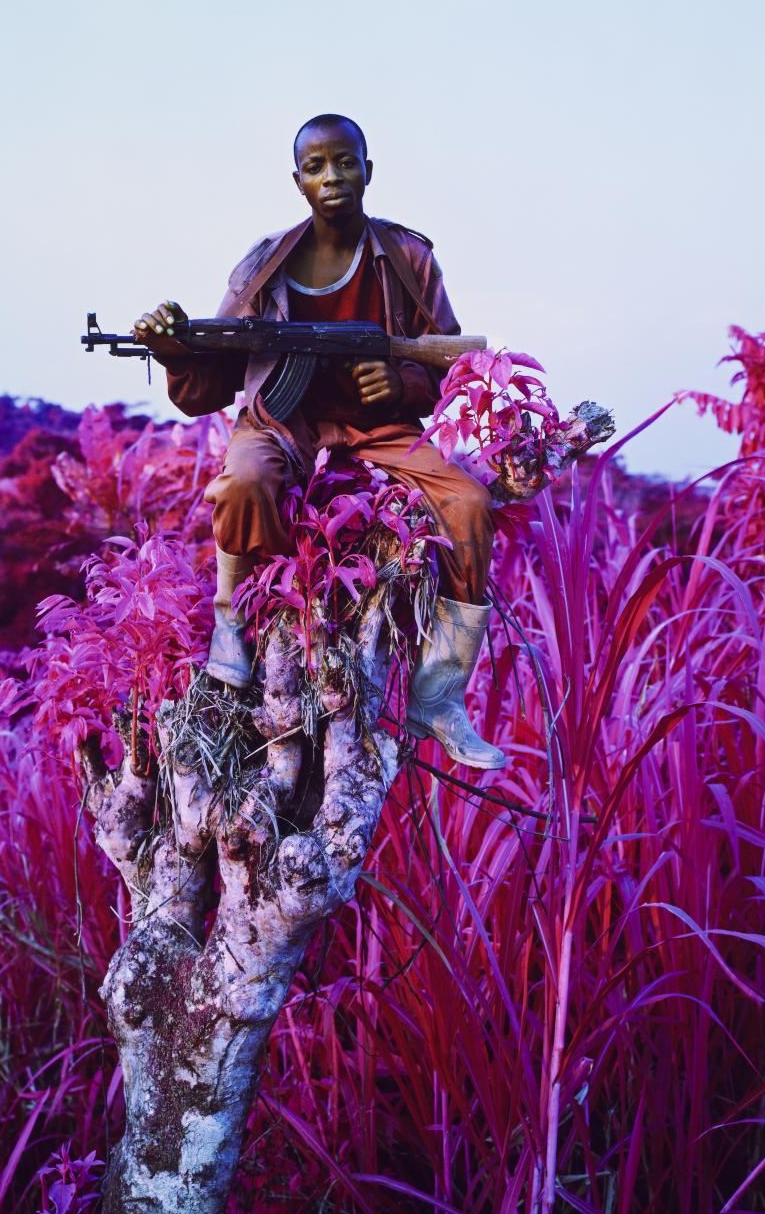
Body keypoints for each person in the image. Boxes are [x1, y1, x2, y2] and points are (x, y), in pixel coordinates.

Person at [131, 113, 504, 771]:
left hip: (380, 427)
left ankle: (440, 696)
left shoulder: (409, 258)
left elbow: (455, 367)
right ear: (297, 180)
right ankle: (237, 638)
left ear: (368, 168)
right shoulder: (264, 263)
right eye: (315, 166)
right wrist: (173, 349)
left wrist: (400, 382)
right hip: (281, 419)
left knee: (469, 503)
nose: (332, 177)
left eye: (344, 162)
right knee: (243, 480)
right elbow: (206, 389)